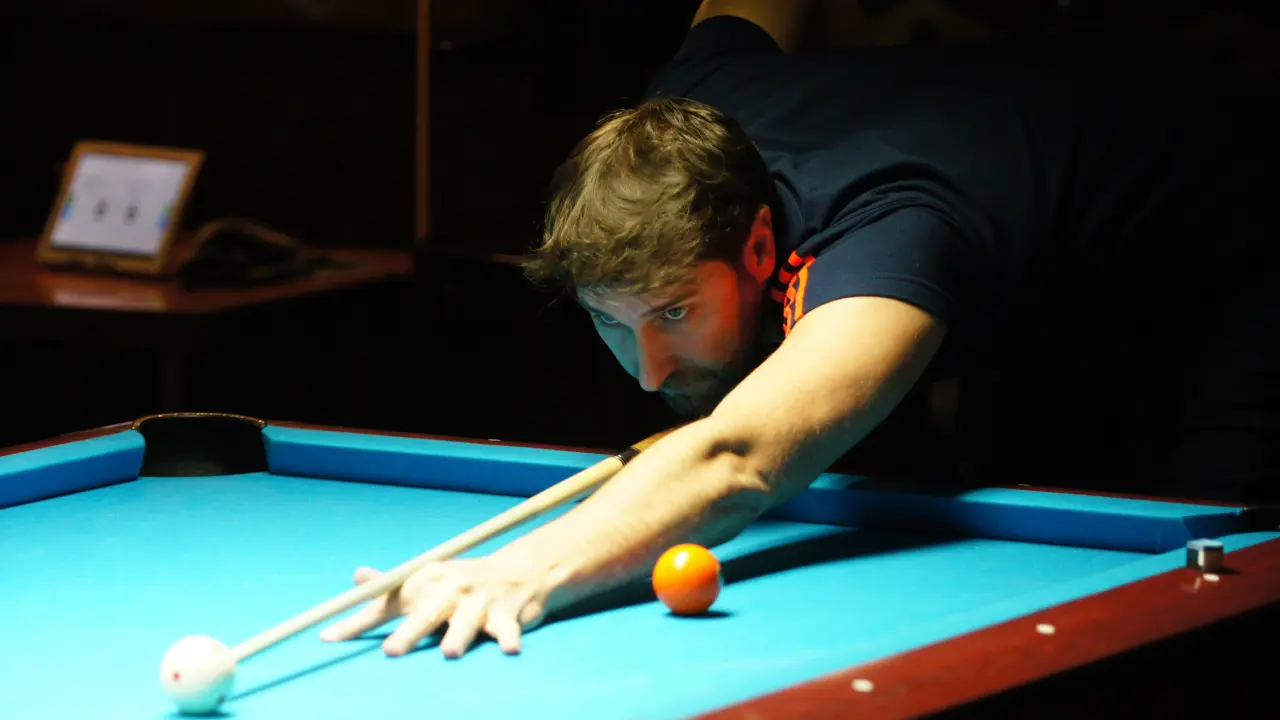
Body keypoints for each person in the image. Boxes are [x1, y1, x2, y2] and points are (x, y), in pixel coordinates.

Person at [322, 1, 1278, 658]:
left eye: (674, 313)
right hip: (1040, 228)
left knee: (1203, 562)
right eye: (611, 321)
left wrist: (521, 570)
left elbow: (738, 457)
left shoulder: (890, 236)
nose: (648, 372)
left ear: (759, 243)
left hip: (1227, 240)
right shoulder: (683, 110)